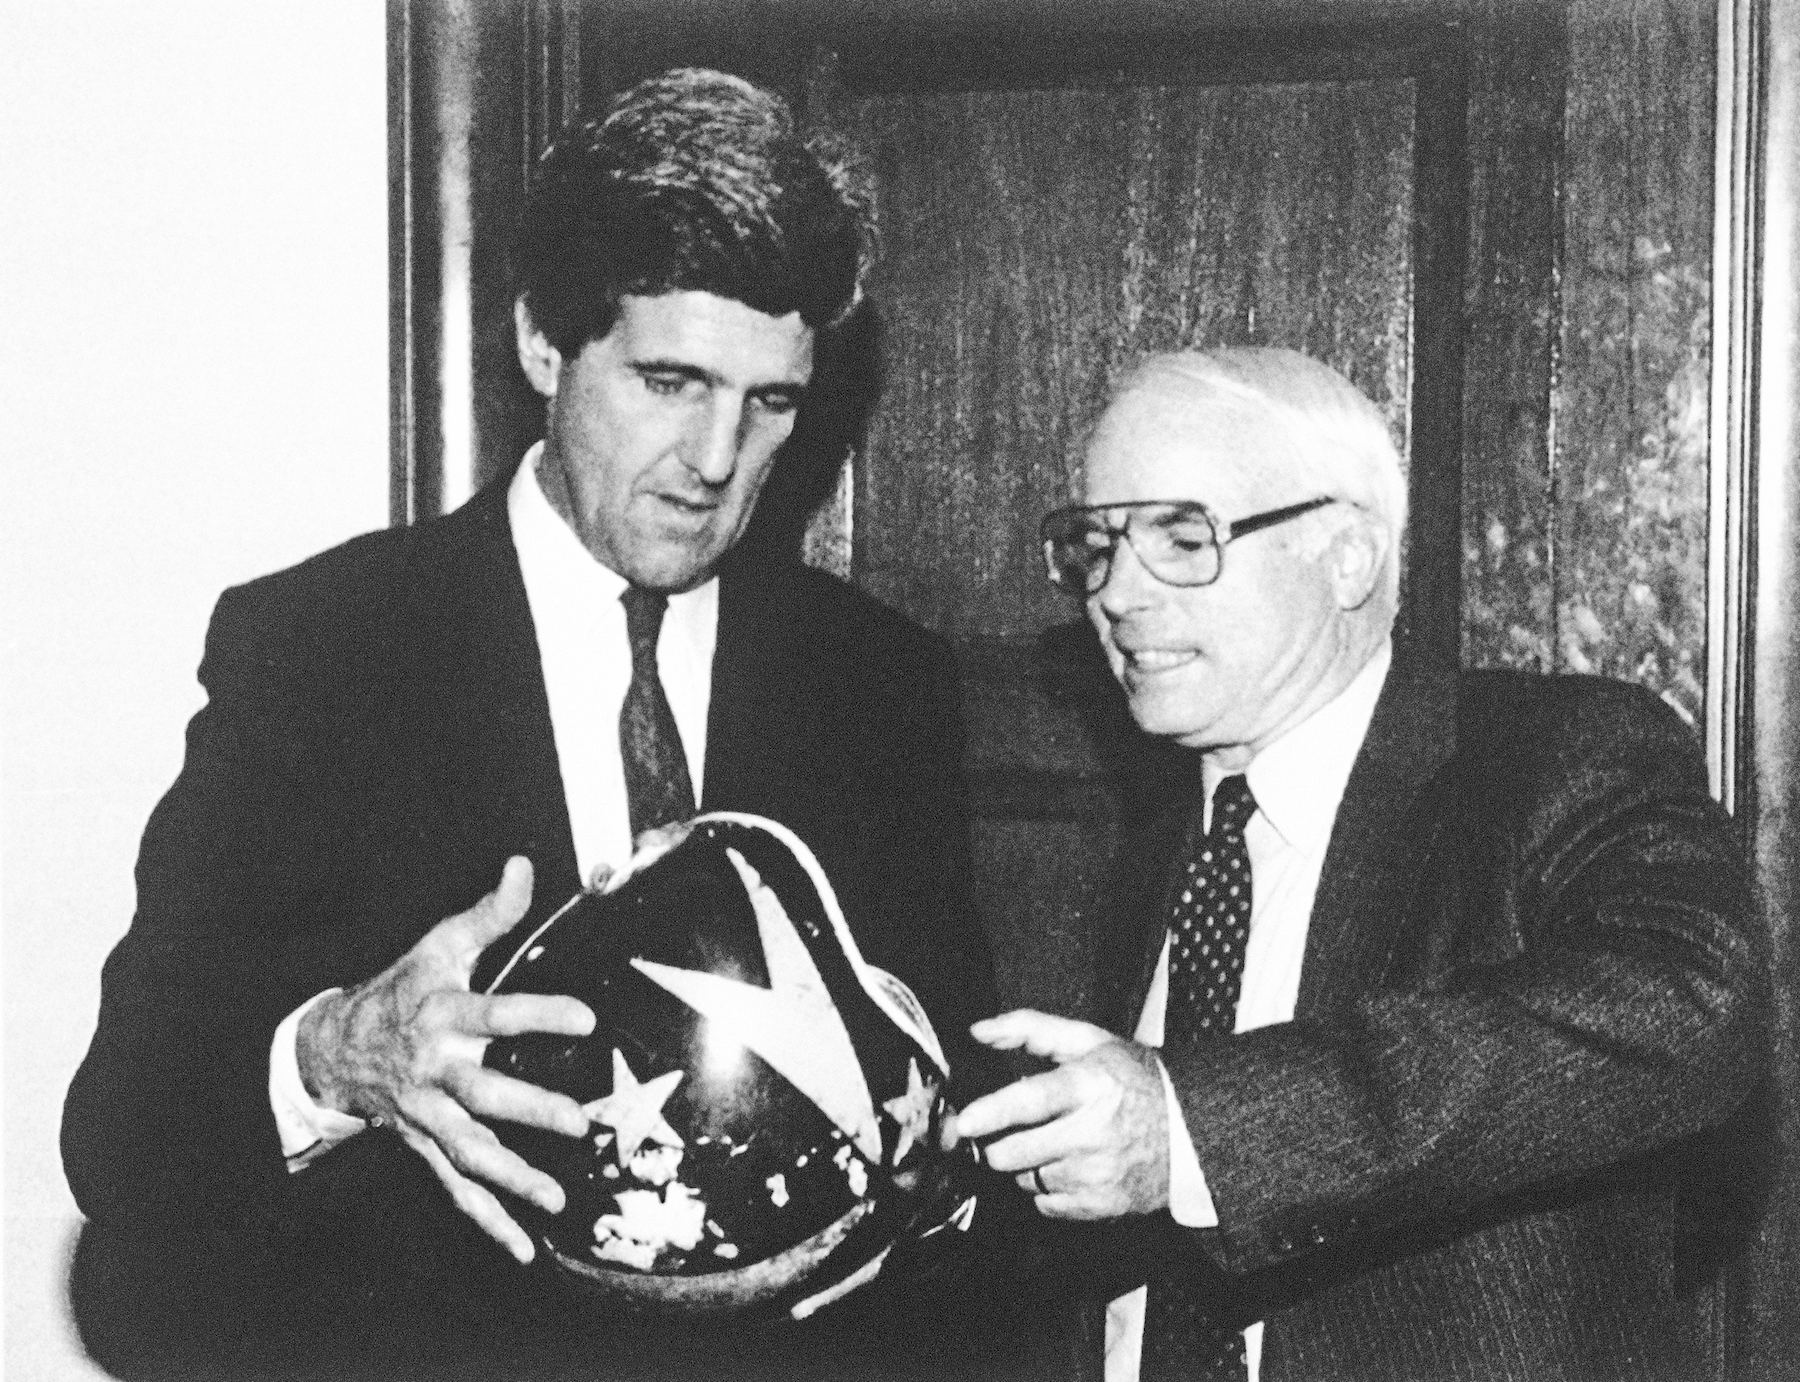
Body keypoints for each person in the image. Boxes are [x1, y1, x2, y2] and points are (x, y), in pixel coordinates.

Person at [63, 68, 1009, 1382]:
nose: (718, 457)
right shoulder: (327, 650)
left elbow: (970, 1154)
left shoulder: (878, 684)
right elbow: (126, 1133)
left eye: (770, 401)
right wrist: (341, 1054)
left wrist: (928, 1158)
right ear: (544, 347)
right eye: (671, 380)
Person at [952, 347, 1768, 1381]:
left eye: (1181, 535)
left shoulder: (1549, 757)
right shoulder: (1149, 842)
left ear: (1347, 555)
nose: (1116, 592)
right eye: (1096, 543)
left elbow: (1689, 1007)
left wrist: (1194, 1126)